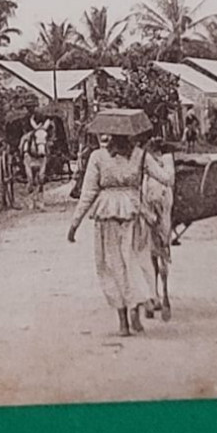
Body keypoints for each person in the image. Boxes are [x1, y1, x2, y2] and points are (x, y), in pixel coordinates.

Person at [67, 114, 162, 336]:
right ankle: (138, 308)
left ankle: (123, 323)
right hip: (134, 211)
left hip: (106, 213)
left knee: (111, 266)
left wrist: (75, 224)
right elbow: (164, 178)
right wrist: (166, 161)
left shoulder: (98, 157)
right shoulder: (140, 156)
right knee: (133, 260)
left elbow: (88, 193)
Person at [139, 136, 177, 320]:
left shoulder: (143, 161)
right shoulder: (164, 161)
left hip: (153, 207)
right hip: (159, 206)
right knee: (160, 251)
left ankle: (154, 296)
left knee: (150, 253)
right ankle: (160, 295)